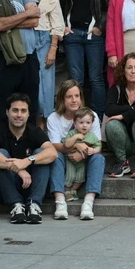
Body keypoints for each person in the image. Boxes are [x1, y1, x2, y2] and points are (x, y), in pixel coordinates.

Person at [0, 94, 55, 223]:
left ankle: (34, 205)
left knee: (41, 153)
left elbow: (52, 152)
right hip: (2, 190)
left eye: (23, 111)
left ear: (28, 114)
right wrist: (18, 168)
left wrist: (27, 161)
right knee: (0, 153)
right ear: (7, 112)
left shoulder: (34, 131)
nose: (19, 115)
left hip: (28, 187)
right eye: (15, 110)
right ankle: (16, 205)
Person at [13, 0, 64, 120]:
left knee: (45, 86)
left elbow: (56, 19)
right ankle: (23, 123)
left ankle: (43, 126)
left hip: (44, 38)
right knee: (24, 82)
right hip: (21, 37)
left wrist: (53, 48)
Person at [45, 80, 104, 221]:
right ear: (62, 99)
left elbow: (99, 145)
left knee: (99, 158)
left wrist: (83, 153)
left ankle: (88, 202)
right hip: (64, 160)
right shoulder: (54, 118)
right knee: (55, 155)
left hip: (85, 160)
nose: (74, 100)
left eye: (77, 96)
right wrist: (76, 146)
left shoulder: (91, 116)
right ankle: (60, 201)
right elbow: (54, 145)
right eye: (69, 96)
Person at [60, 107, 100, 210]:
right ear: (75, 123)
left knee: (80, 177)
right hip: (70, 160)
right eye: (81, 122)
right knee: (70, 176)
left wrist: (93, 150)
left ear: (91, 124)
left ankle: (73, 190)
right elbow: (66, 144)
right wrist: (75, 137)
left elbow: (98, 146)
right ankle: (67, 190)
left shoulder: (92, 136)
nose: (84, 125)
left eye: (88, 122)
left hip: (82, 161)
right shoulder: (72, 133)